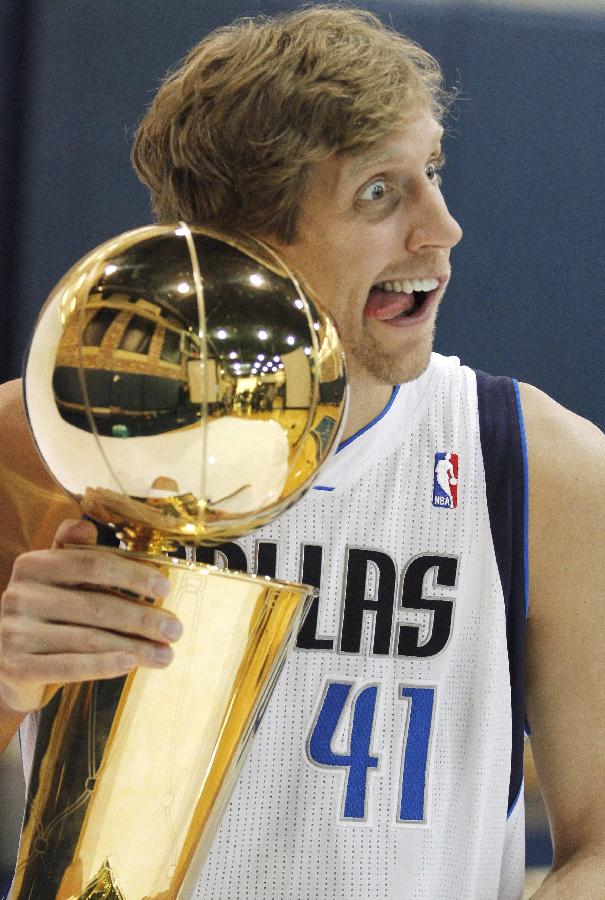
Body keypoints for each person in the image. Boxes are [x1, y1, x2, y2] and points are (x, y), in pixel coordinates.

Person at [0, 7, 603, 898]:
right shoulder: (44, 436)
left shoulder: (534, 462)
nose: (440, 229)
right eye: (378, 192)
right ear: (243, 238)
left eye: (431, 172)